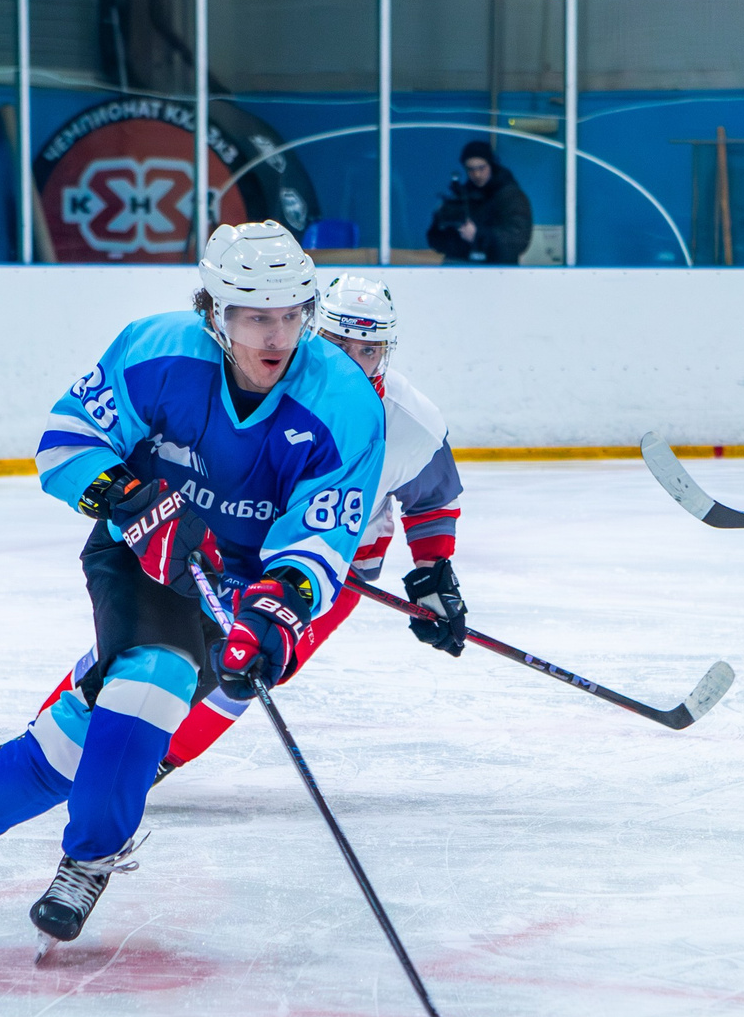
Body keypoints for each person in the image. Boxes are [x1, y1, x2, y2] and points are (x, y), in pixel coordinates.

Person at [0, 221, 387, 947]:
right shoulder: (157, 349)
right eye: (255, 317)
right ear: (215, 312)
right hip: (138, 554)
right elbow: (65, 443)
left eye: (291, 315)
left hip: (233, 585)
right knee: (154, 679)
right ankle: (89, 859)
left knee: (71, 745)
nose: (277, 336)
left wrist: (276, 613)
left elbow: (320, 538)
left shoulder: (346, 403)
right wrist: (134, 502)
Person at [32, 272, 469, 777]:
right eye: (337, 344)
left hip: (330, 565)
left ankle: (159, 758)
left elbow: (432, 499)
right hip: (231, 540)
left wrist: (433, 572)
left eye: (367, 350)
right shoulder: (267, 385)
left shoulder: (411, 423)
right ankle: (47, 741)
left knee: (251, 664)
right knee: (147, 641)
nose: (352, 361)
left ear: (386, 353)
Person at [425, 140, 533, 266]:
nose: (476, 174)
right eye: (470, 169)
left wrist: (478, 235)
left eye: (481, 168)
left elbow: (518, 241)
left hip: (499, 270)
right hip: (464, 267)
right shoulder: (463, 196)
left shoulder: (511, 196)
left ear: (491, 165)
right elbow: (437, 242)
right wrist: (442, 223)